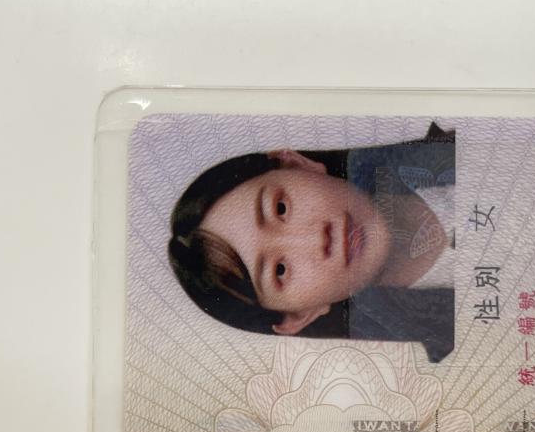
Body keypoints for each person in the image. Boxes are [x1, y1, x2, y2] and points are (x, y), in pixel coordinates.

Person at [167, 123, 457, 363]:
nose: (317, 238)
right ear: (299, 317)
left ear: (296, 164)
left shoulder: (460, 133)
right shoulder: (454, 351)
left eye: (280, 208)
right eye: (279, 270)